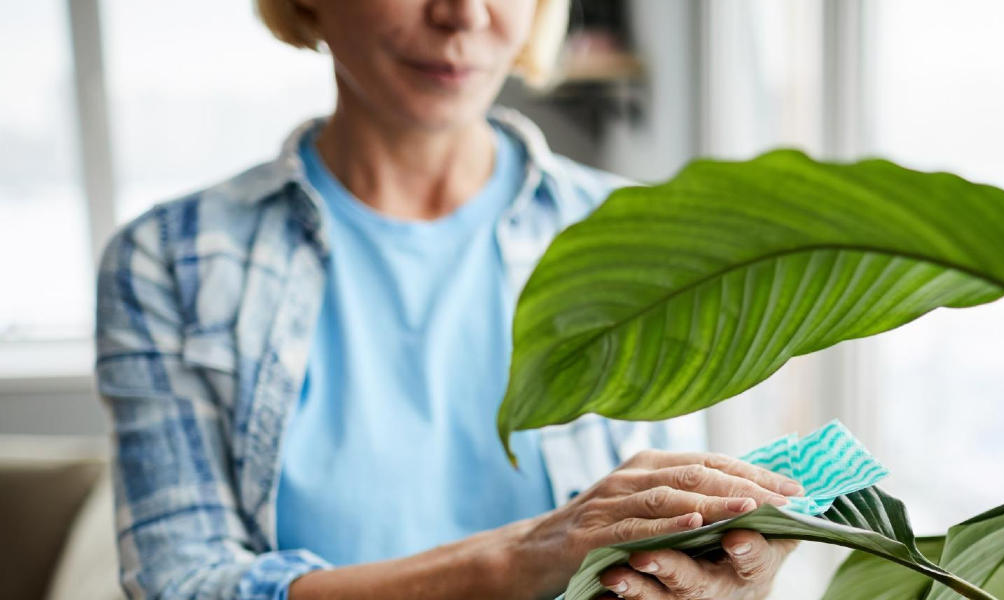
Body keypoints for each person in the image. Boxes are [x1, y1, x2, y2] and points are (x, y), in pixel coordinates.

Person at [93, 1, 799, 598]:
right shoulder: (172, 260)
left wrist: (707, 565)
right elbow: (182, 581)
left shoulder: (644, 237)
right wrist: (517, 558)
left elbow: (661, 531)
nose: (463, 14)